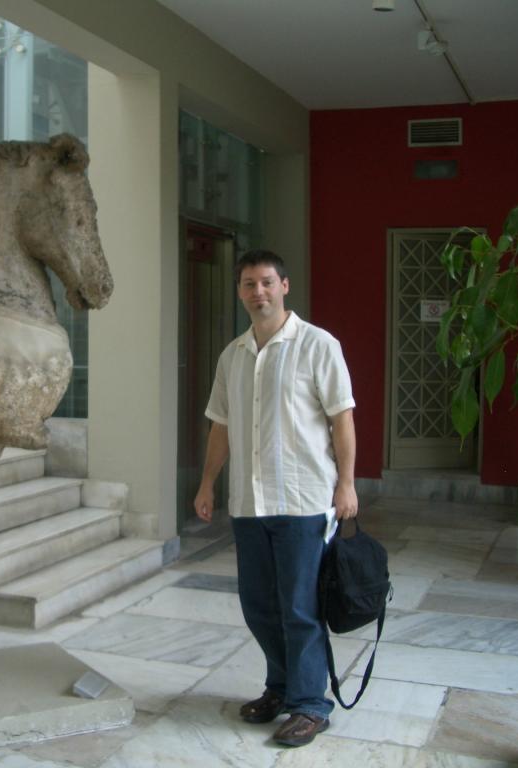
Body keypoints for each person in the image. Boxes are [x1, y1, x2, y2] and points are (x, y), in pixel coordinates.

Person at [194, 248, 357, 748]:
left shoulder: (318, 345)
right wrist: (207, 483)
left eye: (266, 282)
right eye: (249, 284)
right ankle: (280, 687)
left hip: (303, 502)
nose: (258, 292)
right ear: (240, 292)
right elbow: (220, 426)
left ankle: (310, 705)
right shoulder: (232, 356)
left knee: (299, 607)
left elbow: (342, 419)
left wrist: (347, 483)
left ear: (284, 286)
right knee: (258, 605)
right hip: (250, 503)